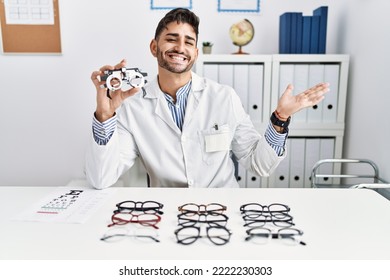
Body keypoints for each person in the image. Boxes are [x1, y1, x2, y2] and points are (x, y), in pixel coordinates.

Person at [86, 8, 329, 189]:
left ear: (195, 53)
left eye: (188, 42)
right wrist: (104, 116)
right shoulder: (133, 107)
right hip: (168, 214)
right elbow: (101, 179)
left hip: (222, 210)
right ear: (154, 47)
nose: (180, 47)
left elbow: (260, 164)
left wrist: (281, 118)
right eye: (172, 38)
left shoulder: (224, 97)